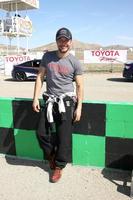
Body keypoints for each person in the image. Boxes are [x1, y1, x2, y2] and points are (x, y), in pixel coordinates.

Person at [32, 27, 83, 183]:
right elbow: (40, 77)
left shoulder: (75, 62)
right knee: (41, 132)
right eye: (60, 40)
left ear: (70, 42)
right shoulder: (47, 57)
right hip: (49, 100)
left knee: (64, 137)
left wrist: (79, 107)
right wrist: (35, 98)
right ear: (57, 41)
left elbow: (80, 86)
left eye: (66, 40)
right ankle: (51, 156)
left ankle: (58, 167)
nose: (63, 43)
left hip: (66, 102)